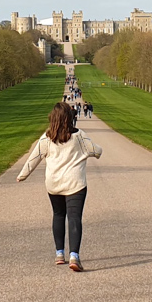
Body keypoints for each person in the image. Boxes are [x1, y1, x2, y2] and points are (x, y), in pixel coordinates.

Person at [17, 101, 102, 272]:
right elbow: (96, 151)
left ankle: (59, 253)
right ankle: (74, 256)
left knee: (58, 214)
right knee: (74, 217)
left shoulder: (46, 138)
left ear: (52, 119)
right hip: (75, 184)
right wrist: (90, 152)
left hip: (54, 184)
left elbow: (34, 158)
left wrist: (22, 175)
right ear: (69, 118)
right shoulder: (79, 136)